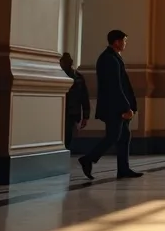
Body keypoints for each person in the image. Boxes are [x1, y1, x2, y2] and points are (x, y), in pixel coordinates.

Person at [79, 30, 143, 180]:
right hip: (114, 106)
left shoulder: (112, 58)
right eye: (124, 41)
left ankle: (123, 169)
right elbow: (115, 86)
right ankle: (88, 159)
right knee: (114, 136)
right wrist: (126, 106)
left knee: (124, 136)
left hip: (115, 105)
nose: (125, 44)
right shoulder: (109, 59)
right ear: (116, 42)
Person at [59, 52, 89, 152]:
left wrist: (85, 116)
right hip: (68, 110)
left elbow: (84, 97)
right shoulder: (77, 77)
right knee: (67, 134)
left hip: (71, 111)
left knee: (68, 134)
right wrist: (85, 116)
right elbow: (84, 97)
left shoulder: (78, 77)